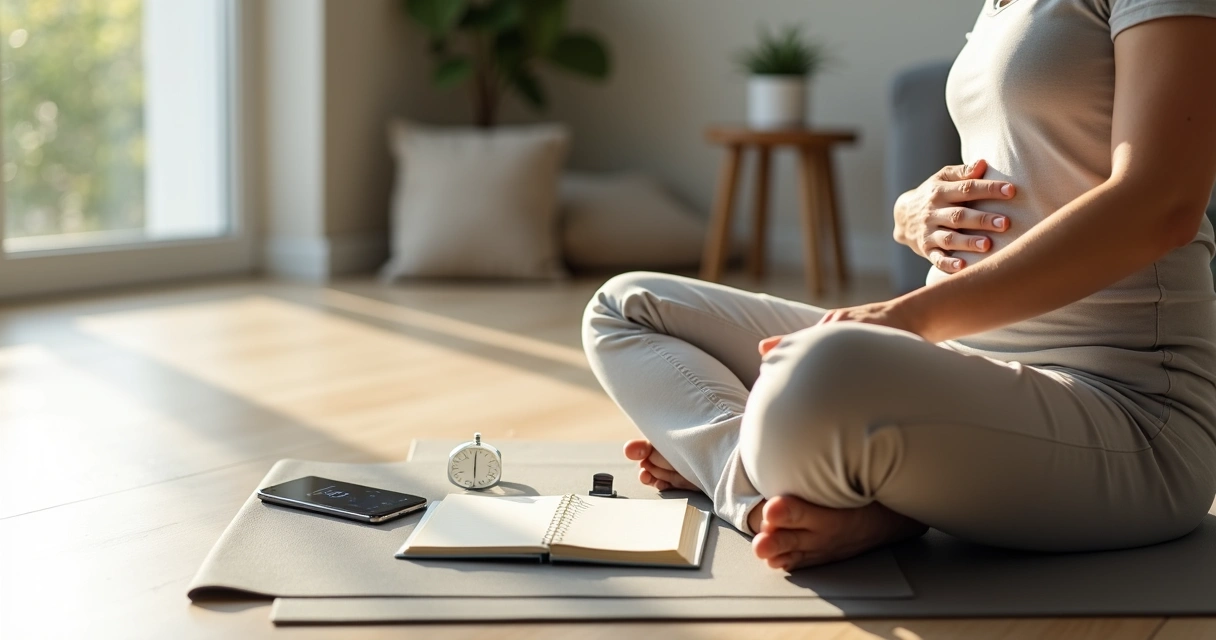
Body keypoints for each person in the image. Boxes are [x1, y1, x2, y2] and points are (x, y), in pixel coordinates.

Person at [582, 0, 1216, 572]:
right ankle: (764, 490)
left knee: (812, 372)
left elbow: (1162, 202)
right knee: (626, 306)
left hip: (1124, 409)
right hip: (961, 364)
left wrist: (907, 319)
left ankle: (758, 458)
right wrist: (910, 211)